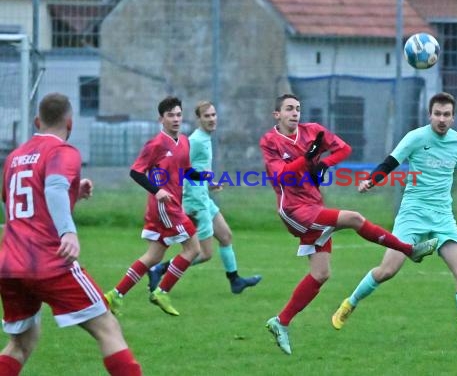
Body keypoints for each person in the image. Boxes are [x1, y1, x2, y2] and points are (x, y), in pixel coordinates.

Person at [259, 93, 438, 355]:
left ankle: (281, 322)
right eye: (289, 109)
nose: (295, 113)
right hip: (294, 210)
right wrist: (307, 160)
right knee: (354, 218)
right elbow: (282, 176)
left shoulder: (313, 131)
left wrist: (323, 164)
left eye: (298, 108)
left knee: (321, 274)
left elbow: (344, 148)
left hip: (313, 204)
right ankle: (409, 250)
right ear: (277, 115)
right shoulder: (270, 141)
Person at [331, 92, 457, 350]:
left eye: (446, 114)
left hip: (443, 217)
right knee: (388, 270)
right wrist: (371, 181)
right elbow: (390, 163)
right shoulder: (416, 137)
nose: (441, 119)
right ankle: (349, 303)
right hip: (413, 214)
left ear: (453, 118)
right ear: (429, 115)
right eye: (437, 114)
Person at [0, 93, 142, 375]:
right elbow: (52, 188)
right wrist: (68, 232)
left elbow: (22, 207)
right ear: (70, 123)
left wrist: (72, 192)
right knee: (108, 327)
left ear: (37, 121)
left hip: (10, 264)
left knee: (21, 342)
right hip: (49, 261)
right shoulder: (63, 152)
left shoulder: (14, 157)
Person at [104, 96, 206, 317]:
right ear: (161, 119)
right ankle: (161, 291)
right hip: (164, 207)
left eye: (178, 114)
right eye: (171, 115)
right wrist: (157, 190)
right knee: (194, 249)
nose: (176, 119)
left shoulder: (185, 142)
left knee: (153, 257)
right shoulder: (156, 144)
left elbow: (185, 170)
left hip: (173, 205)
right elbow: (136, 172)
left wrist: (206, 179)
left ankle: (114, 295)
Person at [147, 101, 262, 294]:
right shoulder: (196, 140)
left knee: (225, 236)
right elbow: (180, 166)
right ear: (199, 119)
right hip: (195, 201)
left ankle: (235, 281)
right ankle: (159, 269)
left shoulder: (205, 138)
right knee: (204, 253)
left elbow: (194, 170)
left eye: (213, 115)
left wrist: (209, 183)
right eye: (206, 116)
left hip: (203, 197)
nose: (211, 119)